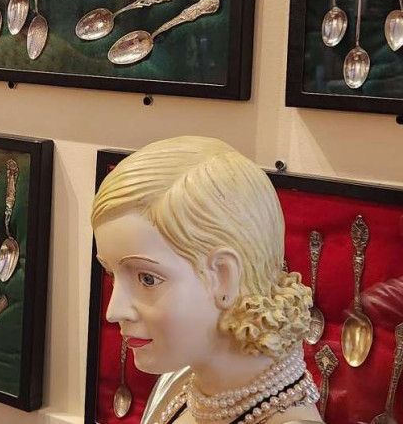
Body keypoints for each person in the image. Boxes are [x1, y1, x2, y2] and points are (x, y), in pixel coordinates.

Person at [92, 137, 324, 424]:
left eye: (147, 279)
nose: (114, 311)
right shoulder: (182, 383)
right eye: (112, 274)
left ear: (224, 278)